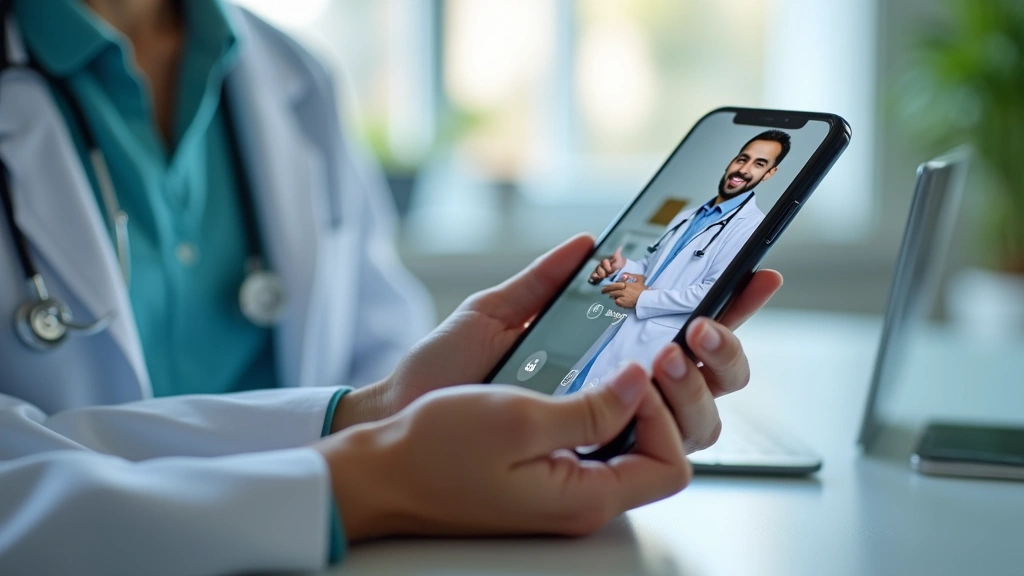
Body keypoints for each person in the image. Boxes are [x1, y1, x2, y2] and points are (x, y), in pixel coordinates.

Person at [0, 0, 784, 573]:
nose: (747, 172)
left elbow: (375, 348)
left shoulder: (288, 72)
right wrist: (368, 482)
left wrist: (389, 409)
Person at [570, 130, 791, 392]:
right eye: (742, 159)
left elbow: (711, 292)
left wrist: (642, 299)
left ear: (769, 174)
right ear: (731, 162)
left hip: (657, 342)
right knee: (577, 395)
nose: (744, 169)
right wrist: (620, 269)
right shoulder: (686, 216)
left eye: (759, 164)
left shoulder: (752, 227)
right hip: (614, 336)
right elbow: (650, 269)